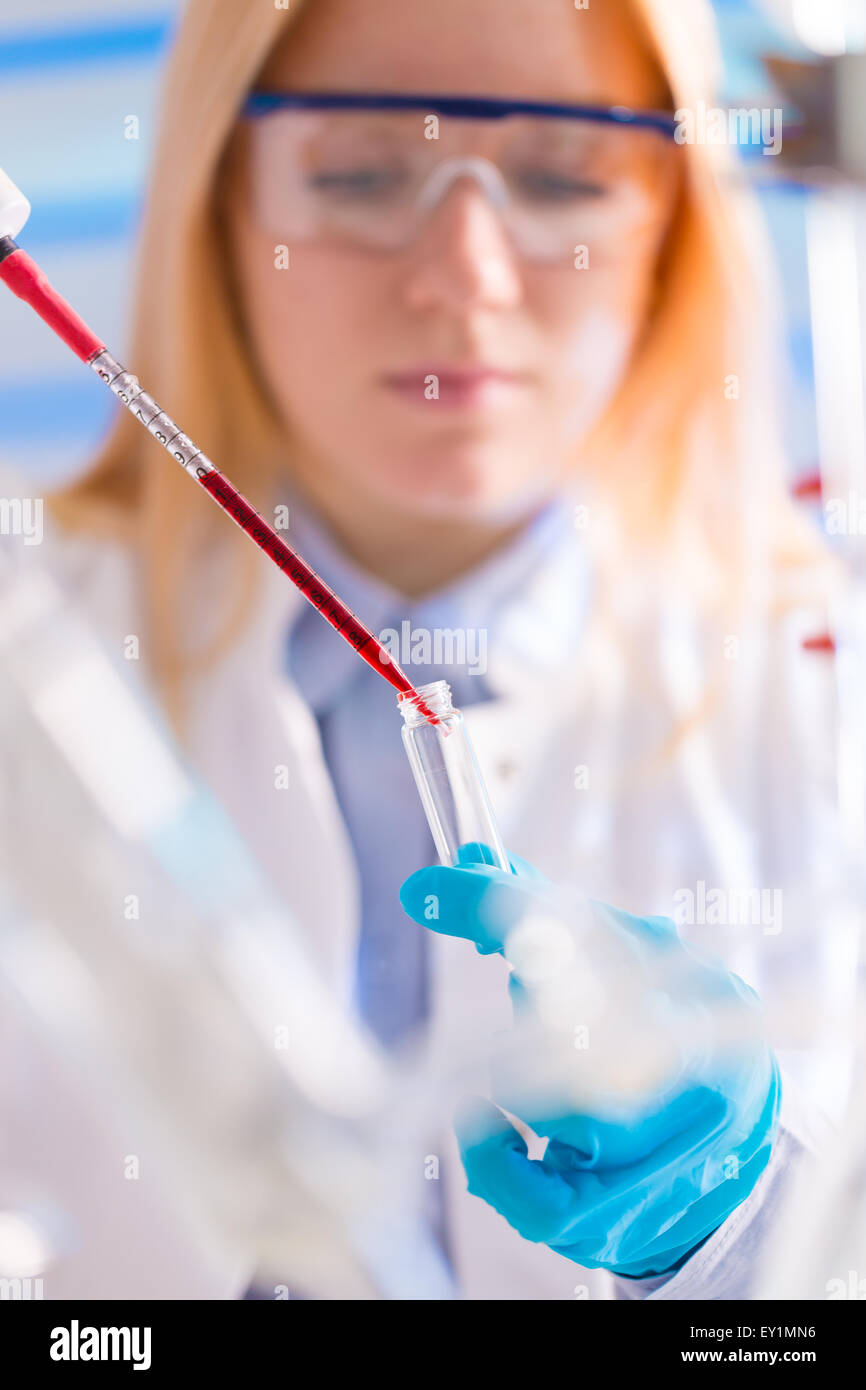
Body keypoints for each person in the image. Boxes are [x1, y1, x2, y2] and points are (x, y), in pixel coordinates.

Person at [25, 0, 842, 1297]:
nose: (465, 274)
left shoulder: (825, 684)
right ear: (219, 205)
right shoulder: (35, 656)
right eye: (360, 171)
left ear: (672, 232)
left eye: (564, 175)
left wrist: (737, 1236)